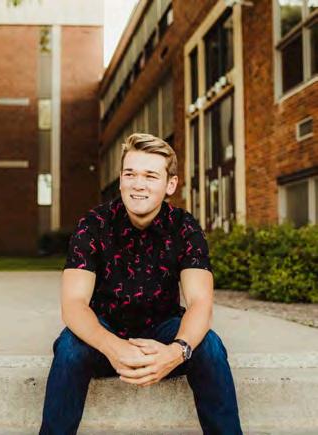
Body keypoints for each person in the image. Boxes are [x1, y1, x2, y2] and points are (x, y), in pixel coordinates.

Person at [38, 133, 243, 435]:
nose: (138, 184)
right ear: (120, 180)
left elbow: (200, 302)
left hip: (163, 334)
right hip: (104, 332)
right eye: (130, 174)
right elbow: (73, 304)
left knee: (209, 346)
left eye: (150, 176)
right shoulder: (93, 224)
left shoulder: (184, 227)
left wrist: (176, 352)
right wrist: (114, 347)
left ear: (170, 184)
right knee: (70, 347)